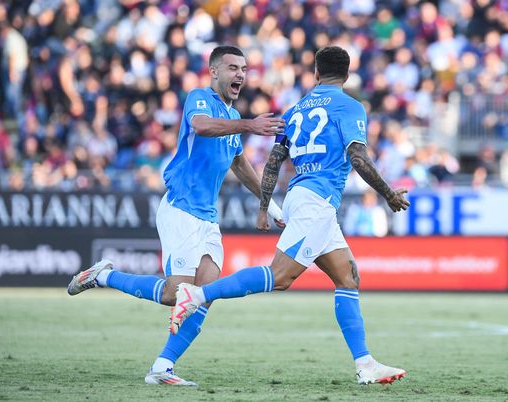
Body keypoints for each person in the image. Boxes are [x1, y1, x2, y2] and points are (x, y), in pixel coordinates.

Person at [169, 46, 411, 385]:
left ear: (315, 73)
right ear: (347, 75)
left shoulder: (295, 110)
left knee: (348, 278)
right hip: (317, 200)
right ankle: (197, 295)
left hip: (304, 197)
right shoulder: (350, 106)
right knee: (280, 277)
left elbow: (273, 161)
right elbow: (357, 156)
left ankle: (365, 363)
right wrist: (388, 194)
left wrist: (265, 206)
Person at [67, 46, 286, 386]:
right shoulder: (199, 99)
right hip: (180, 208)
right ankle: (103, 276)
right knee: (174, 294)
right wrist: (249, 124)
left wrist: (272, 207)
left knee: (204, 294)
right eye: (232, 67)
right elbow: (201, 127)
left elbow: (241, 165)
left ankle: (162, 368)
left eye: (243, 68)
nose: (240, 74)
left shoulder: (230, 115)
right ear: (214, 72)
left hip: (207, 219)